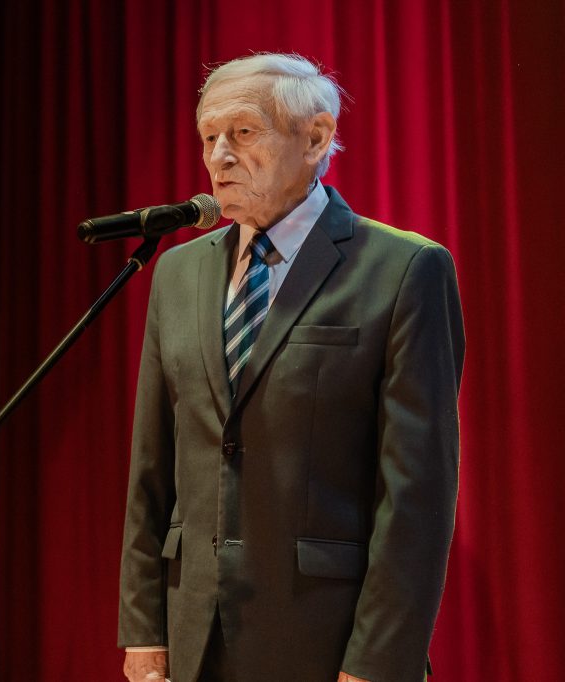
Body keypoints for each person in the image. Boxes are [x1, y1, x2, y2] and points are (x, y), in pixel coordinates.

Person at [118, 53, 465, 682]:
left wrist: (379, 661)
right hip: (193, 634)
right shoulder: (176, 272)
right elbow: (152, 461)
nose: (219, 156)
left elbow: (416, 494)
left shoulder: (404, 269)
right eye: (208, 137)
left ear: (316, 138)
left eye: (243, 133)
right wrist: (144, 631)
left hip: (326, 639)